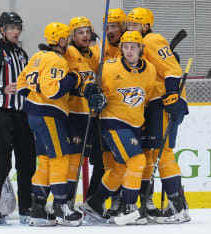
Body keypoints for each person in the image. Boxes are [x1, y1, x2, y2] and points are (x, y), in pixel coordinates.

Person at [79, 31, 156, 225]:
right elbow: (92, 85)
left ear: (140, 49)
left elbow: (144, 97)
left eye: (133, 47)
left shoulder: (151, 70)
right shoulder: (109, 67)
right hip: (113, 122)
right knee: (137, 160)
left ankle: (94, 203)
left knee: (120, 169)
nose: (129, 51)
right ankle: (128, 208)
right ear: (121, 49)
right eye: (126, 47)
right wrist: (91, 92)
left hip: (135, 125)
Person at [127, 7, 190, 223]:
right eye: (130, 24)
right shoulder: (138, 44)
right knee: (153, 153)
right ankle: (174, 204)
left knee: (164, 154)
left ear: (146, 26)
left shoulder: (152, 40)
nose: (131, 28)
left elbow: (172, 69)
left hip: (165, 102)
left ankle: (177, 206)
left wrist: (172, 94)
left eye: (135, 24)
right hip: (154, 104)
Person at [17, 22, 83, 227]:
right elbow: (53, 90)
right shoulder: (57, 61)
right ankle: (61, 207)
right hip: (50, 114)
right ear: (59, 39)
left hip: (34, 114)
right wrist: (73, 78)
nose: (68, 41)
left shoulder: (37, 57)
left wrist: (35, 94)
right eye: (66, 38)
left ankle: (38, 208)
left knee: (45, 160)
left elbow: (21, 85)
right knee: (60, 158)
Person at [0, 12, 36, 225]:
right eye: (11, 28)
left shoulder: (22, 54)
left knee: (27, 162)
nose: (16, 31)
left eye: (18, 28)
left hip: (22, 114)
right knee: (2, 162)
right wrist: (3, 89)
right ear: (2, 30)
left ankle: (26, 207)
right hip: (0, 113)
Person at [63, 16, 103, 205]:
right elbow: (68, 81)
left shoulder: (93, 54)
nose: (85, 35)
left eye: (88, 31)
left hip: (91, 114)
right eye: (80, 32)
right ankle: (66, 201)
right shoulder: (69, 52)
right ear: (72, 36)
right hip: (73, 114)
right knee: (73, 160)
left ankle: (92, 202)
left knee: (98, 159)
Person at [97, 8, 128, 219]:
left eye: (114, 26)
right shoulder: (101, 48)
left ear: (123, 26)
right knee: (110, 160)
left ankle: (136, 199)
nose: (110, 31)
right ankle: (115, 198)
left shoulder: (132, 44)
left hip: (131, 111)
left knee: (134, 159)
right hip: (108, 111)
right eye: (107, 26)